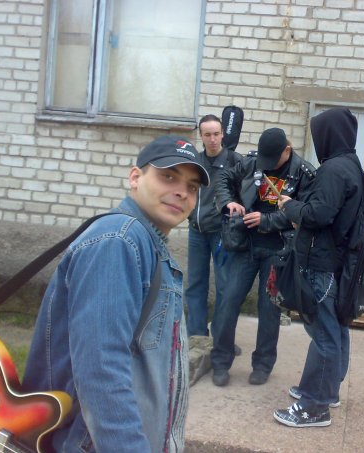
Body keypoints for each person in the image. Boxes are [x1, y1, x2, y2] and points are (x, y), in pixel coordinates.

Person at [22, 135, 210, 453]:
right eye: (168, 177)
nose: (182, 191)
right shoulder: (118, 241)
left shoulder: (145, 244)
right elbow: (101, 370)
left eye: (192, 187)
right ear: (135, 177)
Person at [273, 107, 363, 428]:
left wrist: (289, 206)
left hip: (322, 262)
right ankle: (327, 389)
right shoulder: (350, 164)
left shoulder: (333, 170)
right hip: (334, 259)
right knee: (335, 328)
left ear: (328, 135)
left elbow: (318, 214)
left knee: (324, 333)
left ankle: (315, 406)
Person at [210, 127, 316, 387]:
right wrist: (228, 202)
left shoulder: (304, 173)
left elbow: (305, 213)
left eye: (273, 160)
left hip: (278, 251)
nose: (267, 165)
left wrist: (267, 220)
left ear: (287, 150)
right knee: (228, 301)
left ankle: (263, 365)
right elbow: (223, 177)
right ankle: (220, 361)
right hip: (246, 246)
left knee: (269, 310)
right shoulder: (252, 162)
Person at [185, 114, 242, 346]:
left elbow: (246, 192)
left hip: (222, 233)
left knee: (225, 286)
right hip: (196, 231)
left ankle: (222, 340)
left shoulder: (235, 161)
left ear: (222, 134)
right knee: (195, 284)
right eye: (207, 134)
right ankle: (196, 336)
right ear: (200, 136)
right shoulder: (194, 162)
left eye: (216, 134)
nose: (212, 139)